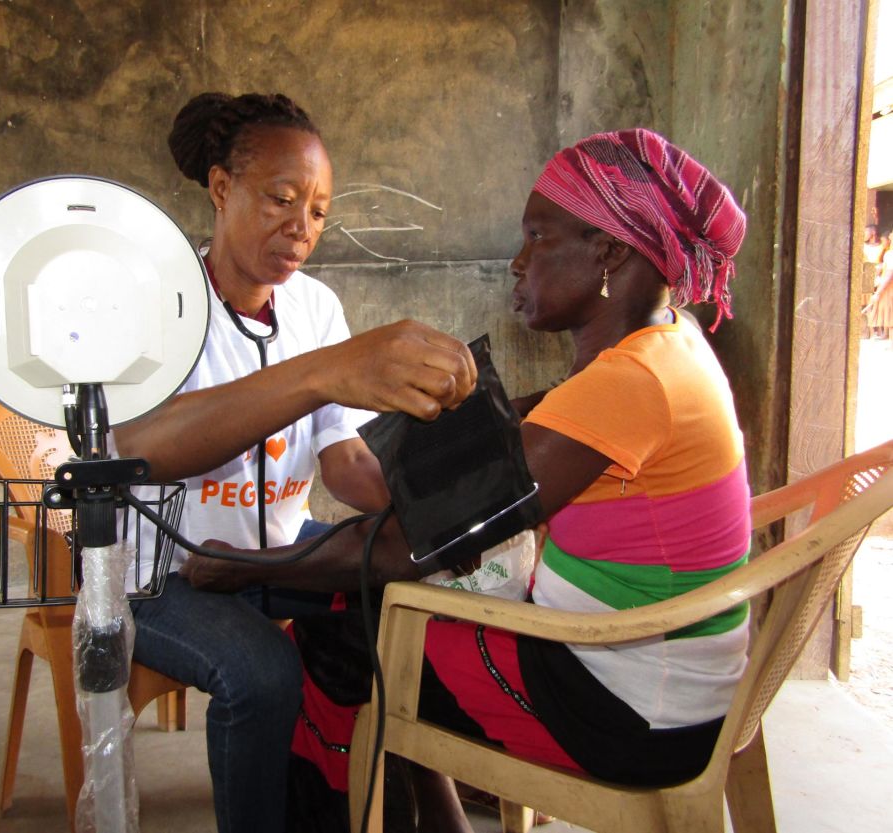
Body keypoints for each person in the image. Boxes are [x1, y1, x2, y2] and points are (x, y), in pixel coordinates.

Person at [179, 128, 753, 833]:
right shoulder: (669, 345)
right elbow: (526, 428)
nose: (517, 262)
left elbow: (403, 545)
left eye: (538, 237)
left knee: (342, 644)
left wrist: (242, 568)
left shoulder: (629, 380)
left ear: (608, 251)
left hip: (620, 709)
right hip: (662, 685)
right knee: (393, 621)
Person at [113, 91, 476, 833]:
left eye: (317, 211)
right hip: (162, 575)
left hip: (277, 550)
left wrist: (427, 498)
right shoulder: (155, 303)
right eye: (281, 198)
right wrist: (319, 373)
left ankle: (413, 807)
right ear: (221, 188)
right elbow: (142, 447)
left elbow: (342, 458)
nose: (300, 228)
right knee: (261, 674)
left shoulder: (314, 308)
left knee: (401, 597)